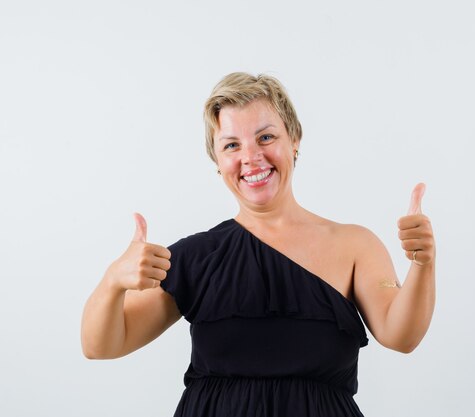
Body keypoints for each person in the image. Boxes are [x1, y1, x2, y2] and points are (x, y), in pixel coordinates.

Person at [81, 72, 436, 417]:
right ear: (218, 162)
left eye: (265, 138)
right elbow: (100, 345)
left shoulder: (356, 245)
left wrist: (422, 263)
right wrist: (113, 281)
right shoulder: (195, 257)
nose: (250, 157)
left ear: (294, 139)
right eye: (232, 145)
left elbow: (401, 335)